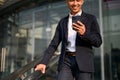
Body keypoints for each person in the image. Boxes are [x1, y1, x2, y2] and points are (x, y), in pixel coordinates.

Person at [35, 0, 102, 80]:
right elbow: (54, 44)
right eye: (71, 0)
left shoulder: (91, 19)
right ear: (67, 1)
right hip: (66, 61)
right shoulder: (62, 22)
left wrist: (84, 33)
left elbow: (98, 42)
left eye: (78, 0)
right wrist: (43, 62)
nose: (75, 3)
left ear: (83, 1)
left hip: (84, 62)